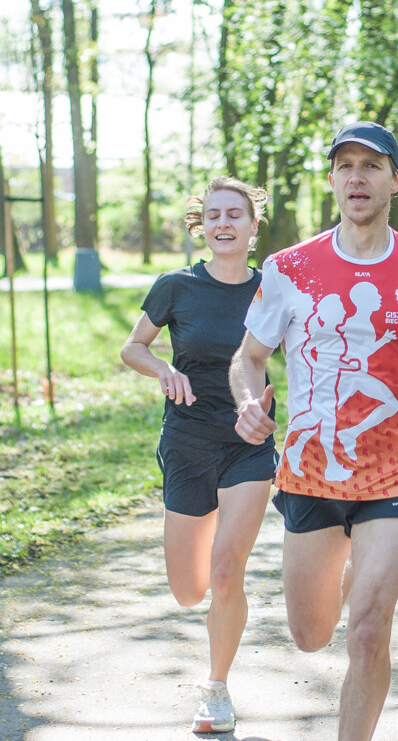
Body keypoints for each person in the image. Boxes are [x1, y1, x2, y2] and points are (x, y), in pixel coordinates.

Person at [229, 120, 398, 741]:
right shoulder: (290, 267)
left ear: (395, 182)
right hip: (311, 470)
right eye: (345, 166)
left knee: (369, 629)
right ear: (331, 182)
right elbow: (249, 357)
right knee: (311, 634)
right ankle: (348, 567)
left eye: (371, 166)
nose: (357, 178)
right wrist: (246, 402)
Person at [119, 177, 277, 735]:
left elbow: (306, 354)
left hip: (248, 442)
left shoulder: (272, 288)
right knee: (190, 590)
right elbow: (132, 346)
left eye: (236, 214)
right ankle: (215, 597)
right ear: (201, 225)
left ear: (254, 226)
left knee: (227, 570)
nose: (224, 224)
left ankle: (217, 688)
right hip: (186, 441)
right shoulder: (176, 286)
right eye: (213, 215)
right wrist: (163, 369)